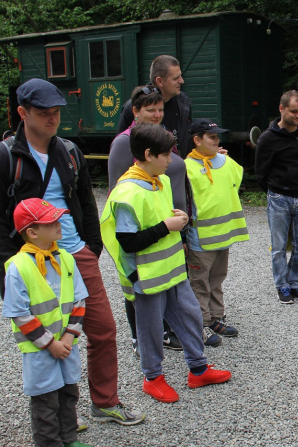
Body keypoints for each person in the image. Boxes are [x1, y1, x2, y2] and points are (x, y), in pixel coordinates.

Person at [0, 78, 145, 427]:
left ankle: (104, 403)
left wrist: (91, 246)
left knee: (101, 329)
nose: (52, 119)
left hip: (73, 254)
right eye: (44, 113)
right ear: (23, 113)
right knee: (45, 339)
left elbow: (85, 200)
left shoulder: (69, 152)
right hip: (30, 262)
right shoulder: (4, 157)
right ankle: (60, 417)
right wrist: (12, 264)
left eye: (56, 113)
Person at [100, 123, 232, 404]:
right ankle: (153, 379)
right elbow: (128, 242)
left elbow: (158, 220)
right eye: (166, 154)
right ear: (149, 154)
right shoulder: (127, 193)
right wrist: (167, 226)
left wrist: (176, 220)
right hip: (147, 278)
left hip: (172, 272)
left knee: (190, 317)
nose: (171, 160)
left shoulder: (154, 180)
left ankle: (198, 370)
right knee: (150, 331)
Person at [3, 198, 95, 447]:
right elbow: (20, 313)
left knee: (68, 392)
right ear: (32, 231)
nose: (59, 225)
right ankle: (47, 445)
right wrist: (49, 343)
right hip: (39, 348)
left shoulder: (65, 257)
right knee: (45, 397)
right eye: (51, 222)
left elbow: (79, 300)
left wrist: (68, 337)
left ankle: (68, 438)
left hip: (66, 344)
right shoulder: (18, 266)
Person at [109, 85, 190, 355]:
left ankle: (165, 331)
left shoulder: (163, 137)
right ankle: (141, 339)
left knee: (164, 283)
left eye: (160, 109)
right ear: (135, 111)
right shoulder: (125, 142)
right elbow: (118, 190)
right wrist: (163, 226)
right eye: (150, 109)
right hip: (146, 229)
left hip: (170, 223)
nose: (157, 114)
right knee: (140, 288)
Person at [185, 118, 249, 346]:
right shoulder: (186, 167)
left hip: (223, 236)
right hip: (200, 240)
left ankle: (215, 317)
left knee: (217, 279)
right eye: (212, 137)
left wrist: (221, 157)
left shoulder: (224, 161)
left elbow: (234, 180)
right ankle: (200, 323)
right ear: (196, 140)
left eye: (217, 137)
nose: (217, 140)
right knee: (199, 282)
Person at [255, 90, 298, 304]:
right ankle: (282, 286)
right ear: (281, 109)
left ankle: (295, 283)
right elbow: (261, 173)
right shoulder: (268, 138)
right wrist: (276, 190)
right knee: (279, 246)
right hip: (280, 198)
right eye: (293, 111)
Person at [116, 55, 193, 158]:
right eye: (176, 78)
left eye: (160, 110)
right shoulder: (133, 106)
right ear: (160, 81)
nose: (182, 81)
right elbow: (121, 150)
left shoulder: (184, 104)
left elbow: (187, 143)